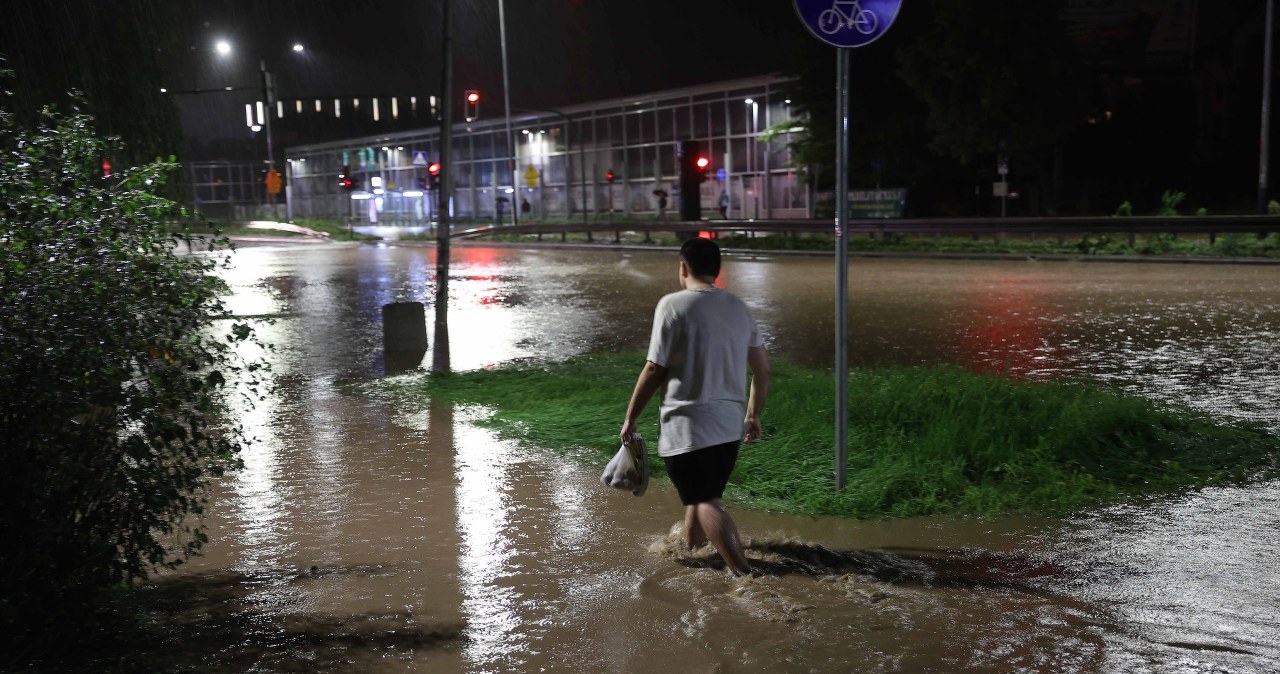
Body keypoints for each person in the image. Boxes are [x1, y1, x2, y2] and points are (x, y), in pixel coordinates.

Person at [620, 238, 771, 576]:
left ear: (683, 267)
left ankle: (745, 575)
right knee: (701, 495)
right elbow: (763, 369)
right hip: (729, 428)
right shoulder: (738, 307)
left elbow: (654, 369)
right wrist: (752, 414)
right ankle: (692, 551)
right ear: (717, 270)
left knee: (704, 501)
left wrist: (631, 417)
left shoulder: (672, 305)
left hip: (688, 426)